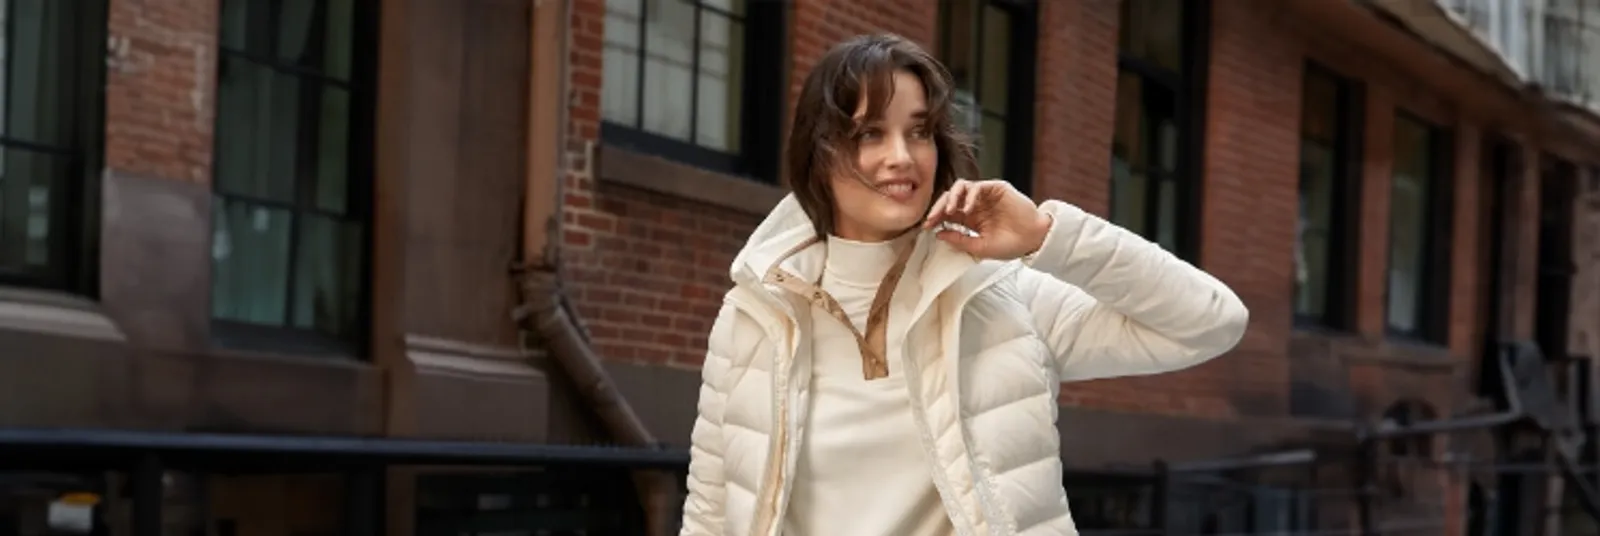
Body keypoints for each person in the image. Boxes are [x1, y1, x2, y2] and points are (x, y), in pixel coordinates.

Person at [678, 33, 1249, 536]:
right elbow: (710, 509)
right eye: (869, 133)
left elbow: (1211, 321)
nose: (900, 158)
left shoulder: (999, 295)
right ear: (819, 153)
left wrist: (1047, 237)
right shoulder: (755, 312)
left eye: (919, 132)